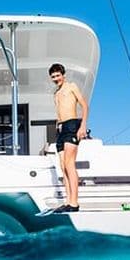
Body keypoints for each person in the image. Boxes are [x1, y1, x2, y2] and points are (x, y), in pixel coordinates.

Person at [49, 63, 88, 213]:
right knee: (62, 166)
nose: (56, 79)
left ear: (63, 75)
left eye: (58, 75)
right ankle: (67, 201)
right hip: (60, 128)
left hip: (72, 124)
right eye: (53, 77)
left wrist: (82, 126)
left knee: (69, 164)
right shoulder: (56, 93)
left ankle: (74, 203)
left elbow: (84, 105)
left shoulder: (71, 86)